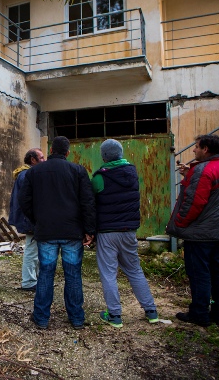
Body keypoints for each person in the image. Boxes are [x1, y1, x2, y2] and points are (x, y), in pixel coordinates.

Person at [20, 136, 96, 330]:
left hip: (46, 231)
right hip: (72, 231)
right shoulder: (78, 170)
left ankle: (42, 317)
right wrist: (89, 230)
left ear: (51, 150)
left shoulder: (34, 172)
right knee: (73, 274)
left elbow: (24, 201)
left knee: (46, 273)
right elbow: (87, 202)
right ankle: (77, 318)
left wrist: (38, 220)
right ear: (67, 153)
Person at [167, 134, 219, 328]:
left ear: (205, 149)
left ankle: (199, 313)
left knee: (199, 274)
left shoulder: (204, 170)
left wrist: (179, 223)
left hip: (200, 234)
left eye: (196, 147)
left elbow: (195, 202)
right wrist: (190, 176)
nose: (194, 150)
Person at [92, 139, 158, 328]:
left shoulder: (99, 177)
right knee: (134, 270)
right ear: (120, 154)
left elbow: (91, 200)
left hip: (107, 232)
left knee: (108, 273)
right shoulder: (132, 172)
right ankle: (151, 311)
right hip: (129, 231)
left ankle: (114, 315)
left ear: (104, 156)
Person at [8, 148, 44, 291]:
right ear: (33, 160)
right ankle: (29, 282)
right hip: (29, 219)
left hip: (27, 218)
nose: (44, 160)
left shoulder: (23, 174)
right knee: (32, 250)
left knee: (34, 249)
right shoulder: (27, 175)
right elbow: (29, 200)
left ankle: (32, 280)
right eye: (41, 158)